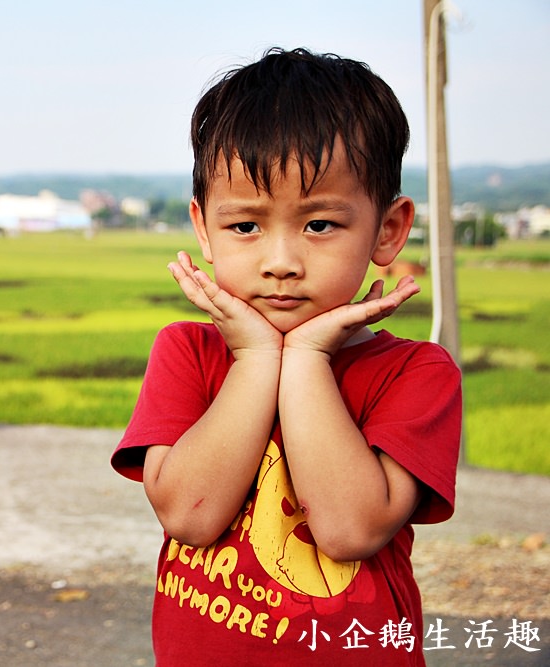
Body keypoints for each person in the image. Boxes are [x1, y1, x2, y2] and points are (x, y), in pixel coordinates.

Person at [111, 47, 462, 666]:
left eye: (320, 225)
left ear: (388, 229)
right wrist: (252, 360)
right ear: (204, 230)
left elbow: (351, 530)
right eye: (245, 227)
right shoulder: (188, 352)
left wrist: (304, 358)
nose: (281, 261)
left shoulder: (417, 373)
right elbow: (189, 517)